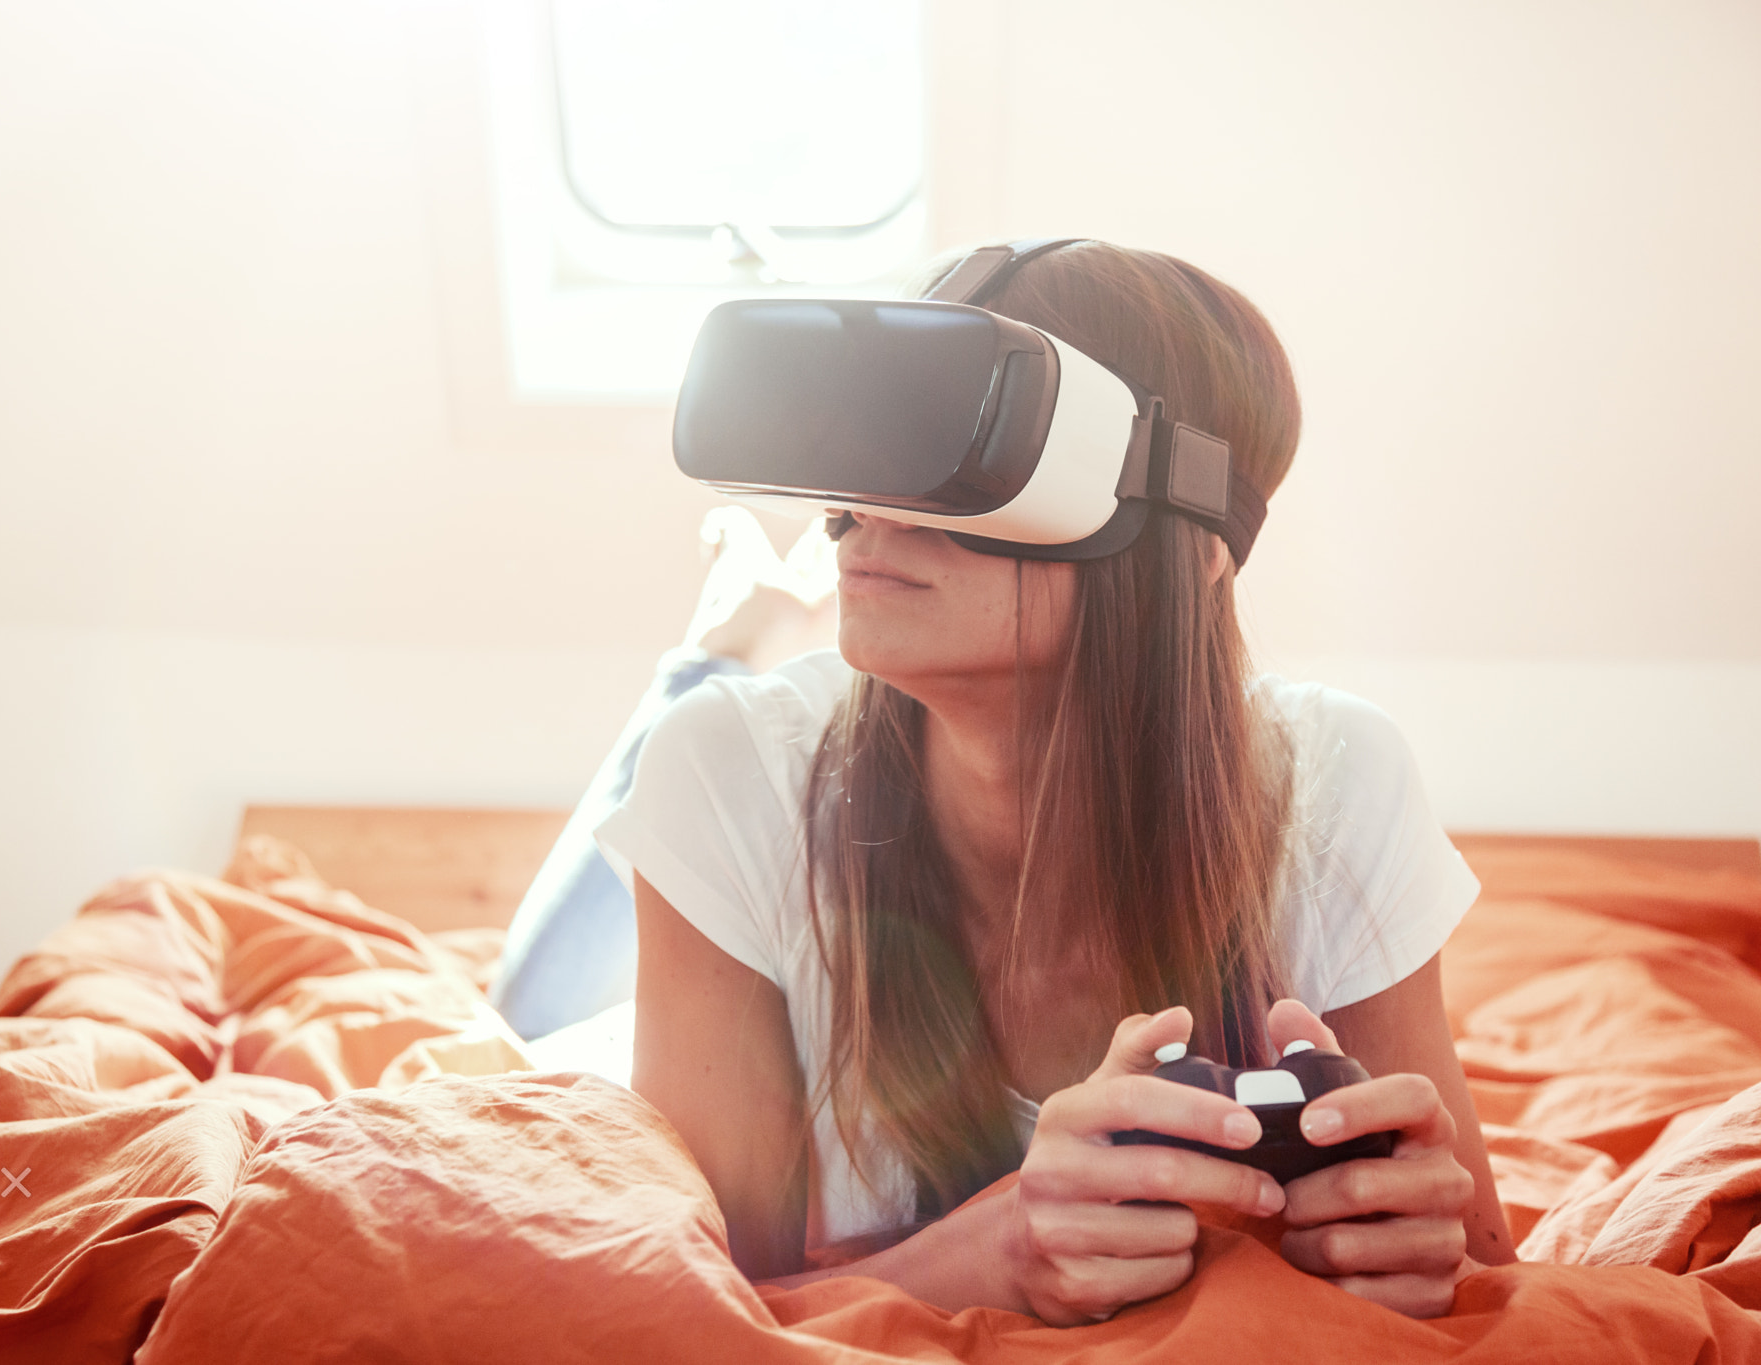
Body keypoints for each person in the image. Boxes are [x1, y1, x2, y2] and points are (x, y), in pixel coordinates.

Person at [592, 240, 1515, 1325]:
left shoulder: (1334, 781)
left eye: (964, 448)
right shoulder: (725, 771)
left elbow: (1481, 1273)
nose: (868, 509)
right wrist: (992, 1251)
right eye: (874, 446)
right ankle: (723, 636)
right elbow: (705, 1322)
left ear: (1200, 542)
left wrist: (1403, 1245)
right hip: (717, 813)